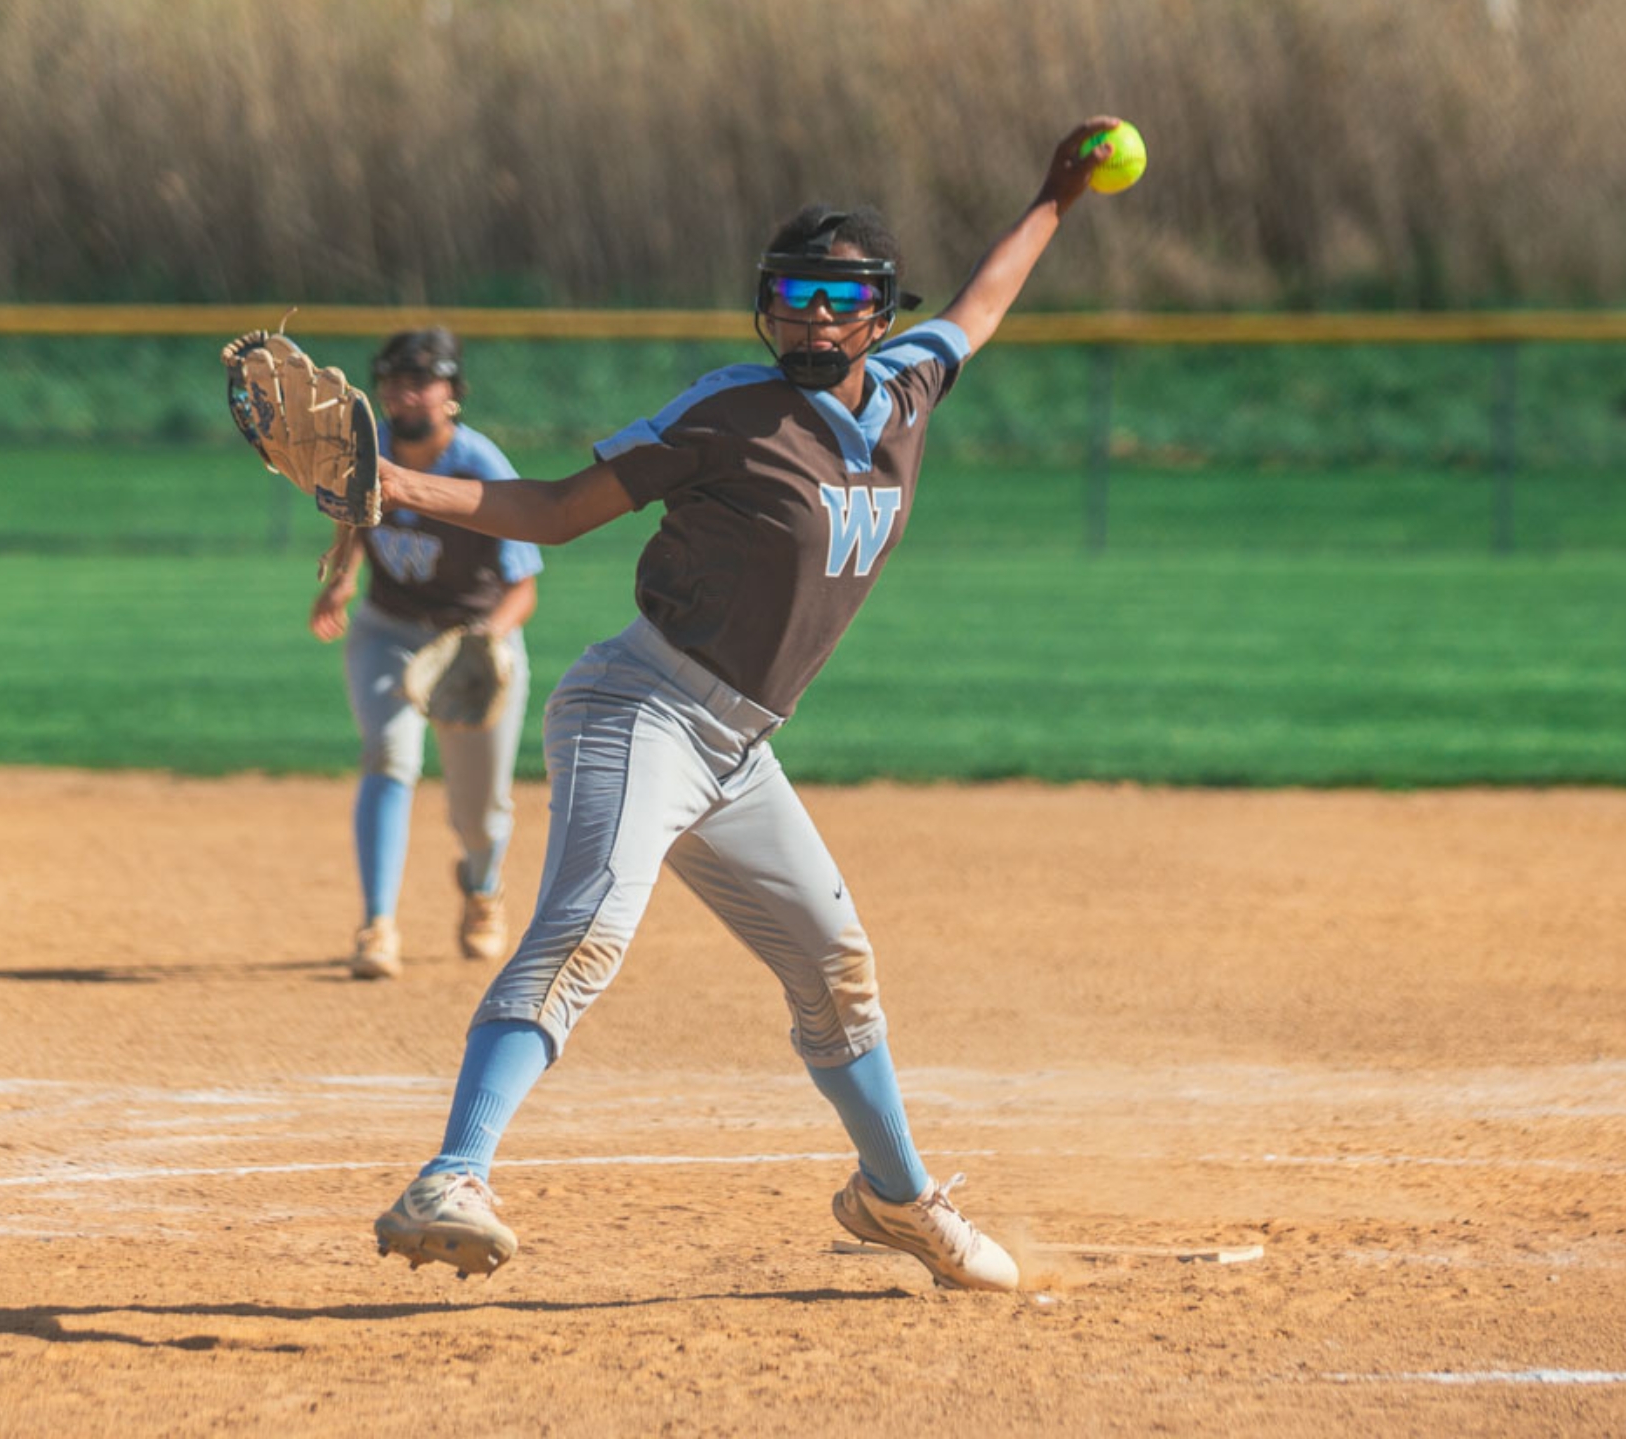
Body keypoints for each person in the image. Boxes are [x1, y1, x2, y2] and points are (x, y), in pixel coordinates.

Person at [367, 119, 1125, 1289]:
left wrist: (1055, 197)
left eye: (838, 296)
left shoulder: (911, 385)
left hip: (735, 745)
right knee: (585, 926)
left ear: (876, 312)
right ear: (763, 307)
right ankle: (453, 1171)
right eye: (790, 295)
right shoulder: (729, 412)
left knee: (835, 971)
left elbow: (982, 300)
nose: (812, 318)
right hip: (640, 707)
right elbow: (560, 509)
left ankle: (897, 1200)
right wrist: (392, 485)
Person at [309, 327, 542, 982]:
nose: (406, 393)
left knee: (481, 810)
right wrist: (344, 576)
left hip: (474, 640)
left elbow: (523, 587)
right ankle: (377, 925)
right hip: (389, 628)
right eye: (394, 380)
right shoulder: (369, 447)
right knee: (389, 753)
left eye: (423, 379)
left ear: (453, 392)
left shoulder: (482, 465)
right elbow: (359, 513)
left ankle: (481, 884)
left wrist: (486, 639)